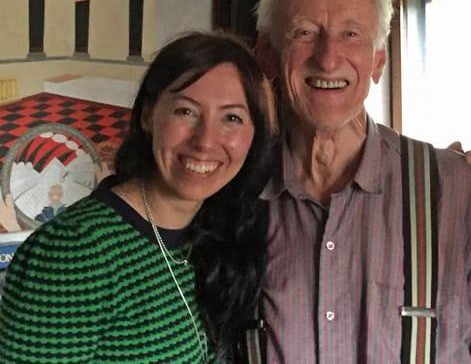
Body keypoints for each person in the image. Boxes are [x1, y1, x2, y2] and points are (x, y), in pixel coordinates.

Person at [244, 0, 471, 363]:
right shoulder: (234, 191)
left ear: (378, 61)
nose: (329, 58)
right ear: (266, 55)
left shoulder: (450, 187)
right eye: (303, 32)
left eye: (351, 34)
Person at [0, 31, 277, 363]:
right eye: (186, 111)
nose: (205, 141)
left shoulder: (211, 233)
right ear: (148, 115)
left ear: (253, 136)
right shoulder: (76, 253)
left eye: (232, 118)